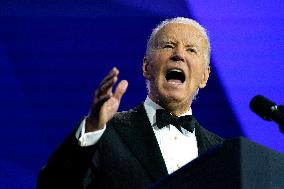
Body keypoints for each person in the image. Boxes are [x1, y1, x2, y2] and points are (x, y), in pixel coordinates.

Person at [37, 17, 223, 189]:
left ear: (205, 76)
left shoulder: (222, 152)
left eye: (191, 50)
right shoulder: (105, 132)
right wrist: (93, 127)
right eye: (168, 46)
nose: (179, 55)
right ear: (146, 66)